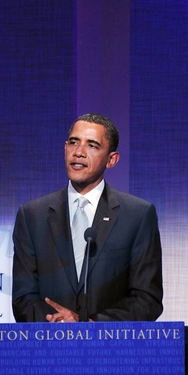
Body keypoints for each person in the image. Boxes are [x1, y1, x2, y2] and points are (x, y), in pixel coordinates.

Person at [11, 113, 163, 323]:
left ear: (111, 159)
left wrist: (91, 326)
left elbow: (147, 299)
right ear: (65, 148)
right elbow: (23, 298)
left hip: (109, 342)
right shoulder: (32, 216)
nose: (79, 152)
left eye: (92, 145)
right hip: (49, 341)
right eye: (74, 142)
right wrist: (57, 322)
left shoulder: (137, 215)